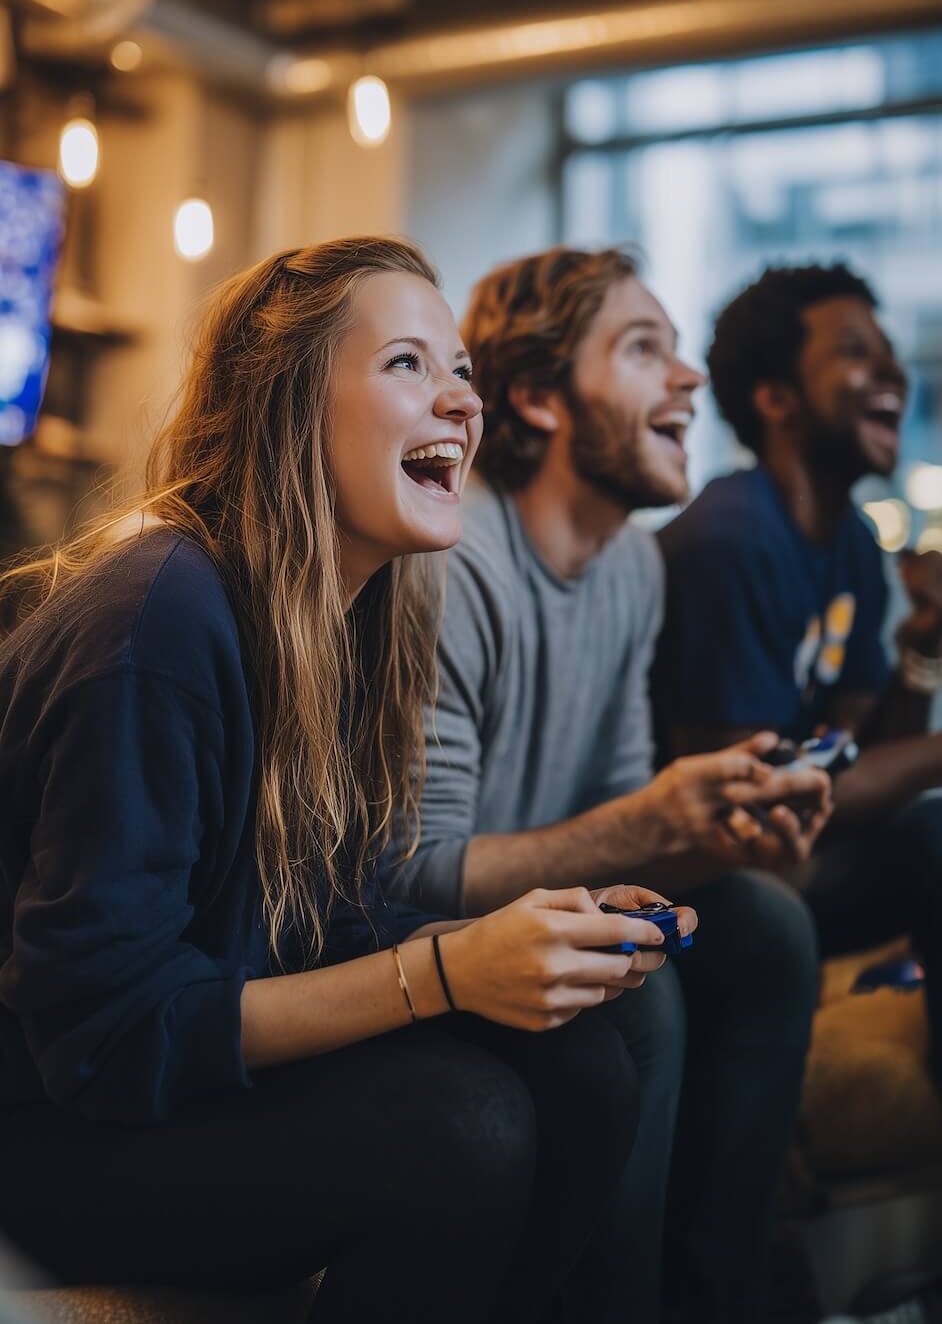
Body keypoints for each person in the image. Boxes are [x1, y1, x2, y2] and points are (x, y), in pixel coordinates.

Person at [0, 237, 693, 1324]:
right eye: (407, 364)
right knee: (459, 1124)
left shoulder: (356, 623)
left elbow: (318, 923)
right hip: (41, 1119)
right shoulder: (156, 621)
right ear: (287, 408)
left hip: (135, 1086)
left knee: (589, 1062)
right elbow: (110, 1040)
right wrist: (443, 973)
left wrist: (527, 934)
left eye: (461, 370)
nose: (461, 401)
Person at [386, 245, 835, 1324]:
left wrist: (722, 831)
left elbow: (621, 808)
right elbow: (411, 872)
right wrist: (651, 819)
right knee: (644, 990)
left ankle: (715, 1301)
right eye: (643, 349)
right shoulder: (453, 562)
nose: (688, 378)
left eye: (677, 352)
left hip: (546, 909)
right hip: (422, 939)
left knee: (766, 924)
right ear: (539, 399)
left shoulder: (634, 565)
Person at [652, 262, 942, 1324]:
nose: (892, 373)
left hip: (796, 863)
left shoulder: (854, 551)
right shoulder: (731, 538)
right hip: (701, 882)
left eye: (890, 351)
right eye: (856, 352)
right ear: (776, 397)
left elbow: (861, 761)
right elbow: (738, 797)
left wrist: (924, 649)